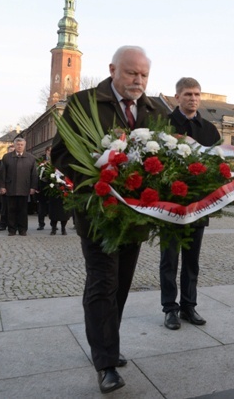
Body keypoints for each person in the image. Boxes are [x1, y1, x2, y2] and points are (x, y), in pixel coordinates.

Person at [51, 46, 164, 394]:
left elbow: (167, 150)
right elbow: (59, 153)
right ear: (113, 69)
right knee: (102, 282)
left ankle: (107, 342)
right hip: (97, 212)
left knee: (122, 283)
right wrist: (99, 174)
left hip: (134, 216)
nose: (139, 81)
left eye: (144, 75)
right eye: (132, 73)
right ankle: (105, 361)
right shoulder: (84, 103)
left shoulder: (154, 108)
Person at [160, 77, 221, 331]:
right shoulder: (163, 126)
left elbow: (219, 166)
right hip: (170, 204)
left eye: (197, 94)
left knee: (192, 259)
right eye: (187, 94)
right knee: (170, 258)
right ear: (177, 97)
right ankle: (170, 309)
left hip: (199, 205)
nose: (193, 98)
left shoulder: (209, 129)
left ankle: (188, 306)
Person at [0, 137, 38, 236]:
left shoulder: (31, 158)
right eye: (18, 144)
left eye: (21, 145)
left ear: (24, 145)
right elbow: (2, 173)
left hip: (24, 187)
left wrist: (33, 187)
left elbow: (34, 174)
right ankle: (12, 230)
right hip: (10, 187)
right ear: (14, 145)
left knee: (23, 211)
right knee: (11, 210)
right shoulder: (7, 157)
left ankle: (23, 230)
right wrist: (2, 186)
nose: (19, 146)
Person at [0, 145, 15, 231]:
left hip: (15, 187)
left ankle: (13, 224)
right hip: (5, 187)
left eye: (13, 151)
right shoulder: (2, 161)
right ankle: (3, 224)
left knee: (14, 208)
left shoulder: (17, 160)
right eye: (10, 151)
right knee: (5, 208)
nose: (12, 152)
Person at [36, 147, 52, 231]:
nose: (50, 152)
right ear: (46, 151)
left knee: (52, 206)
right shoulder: (41, 159)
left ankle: (54, 224)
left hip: (53, 187)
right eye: (49, 151)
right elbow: (36, 173)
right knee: (42, 207)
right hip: (42, 186)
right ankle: (41, 224)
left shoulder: (55, 159)